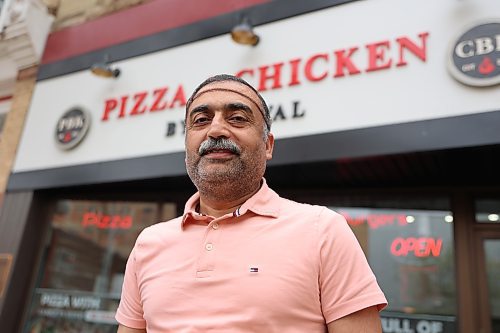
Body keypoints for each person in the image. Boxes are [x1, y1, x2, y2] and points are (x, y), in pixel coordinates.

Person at [116, 74, 387, 333]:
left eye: (237, 118)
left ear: (267, 145)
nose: (216, 130)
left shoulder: (323, 230)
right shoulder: (148, 242)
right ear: (186, 145)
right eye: (200, 120)